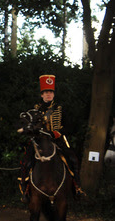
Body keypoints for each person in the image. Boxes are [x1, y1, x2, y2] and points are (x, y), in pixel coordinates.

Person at [19, 74, 83, 203]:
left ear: (53, 94)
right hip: (39, 141)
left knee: (73, 159)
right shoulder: (35, 110)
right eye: (46, 92)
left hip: (57, 140)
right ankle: (25, 190)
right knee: (26, 161)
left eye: (51, 92)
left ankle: (77, 188)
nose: (49, 95)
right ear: (42, 95)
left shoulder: (60, 108)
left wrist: (59, 133)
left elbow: (70, 126)